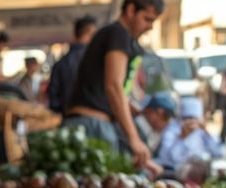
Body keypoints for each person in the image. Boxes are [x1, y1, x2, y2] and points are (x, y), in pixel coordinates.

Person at [63, 0, 165, 173]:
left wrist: (130, 108)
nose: (150, 27)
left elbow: (112, 89)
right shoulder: (118, 34)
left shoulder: (111, 34)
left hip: (84, 124)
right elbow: (114, 87)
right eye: (147, 19)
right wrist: (134, 139)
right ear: (131, 10)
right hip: (93, 127)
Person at [47, 15, 98, 114]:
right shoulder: (95, 60)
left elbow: (53, 99)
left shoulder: (60, 64)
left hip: (67, 119)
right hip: (93, 119)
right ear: (89, 34)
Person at [158, 97, 224, 170]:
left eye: (194, 118)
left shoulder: (201, 132)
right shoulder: (172, 130)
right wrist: (182, 137)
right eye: (187, 118)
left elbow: (218, 153)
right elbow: (167, 158)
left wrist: (206, 132)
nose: (191, 122)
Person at [135, 91, 176, 157]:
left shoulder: (150, 132)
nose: (168, 122)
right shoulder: (135, 128)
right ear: (150, 111)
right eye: (166, 116)